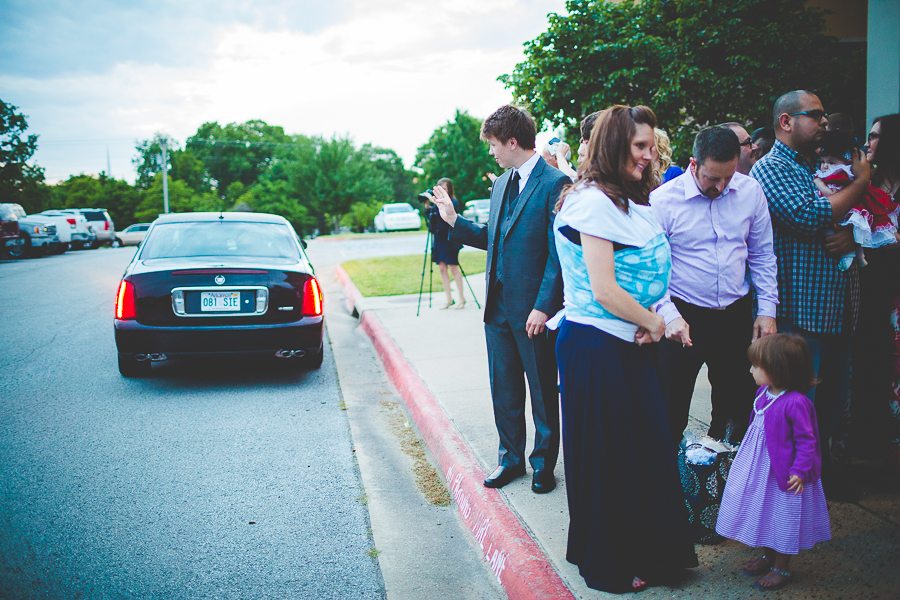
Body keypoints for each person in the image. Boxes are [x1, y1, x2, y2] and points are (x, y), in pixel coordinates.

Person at [549, 105, 698, 593]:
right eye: (639, 146)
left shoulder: (631, 202)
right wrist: (654, 323)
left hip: (630, 345)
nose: (649, 154)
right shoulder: (589, 203)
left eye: (651, 145)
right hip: (596, 348)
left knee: (646, 453)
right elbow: (606, 288)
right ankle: (610, 561)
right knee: (610, 460)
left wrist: (666, 320)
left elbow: (652, 279)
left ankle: (652, 553)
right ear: (614, 147)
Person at [431, 105, 569, 493]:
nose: (490, 152)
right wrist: (454, 221)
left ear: (512, 141)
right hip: (498, 310)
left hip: (535, 312)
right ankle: (510, 460)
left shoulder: (555, 183)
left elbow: (558, 256)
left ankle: (543, 464)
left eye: (493, 144)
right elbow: (493, 237)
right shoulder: (500, 184)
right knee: (504, 389)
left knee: (542, 390)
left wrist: (543, 306)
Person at [750, 90, 871, 502]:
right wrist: (863, 182)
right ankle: (794, 496)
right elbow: (810, 216)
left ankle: (820, 482)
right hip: (802, 315)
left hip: (836, 312)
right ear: (786, 122)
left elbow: (848, 218)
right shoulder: (771, 168)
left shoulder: (813, 166)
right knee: (802, 412)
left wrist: (852, 231)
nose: (824, 123)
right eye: (815, 115)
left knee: (831, 408)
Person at [652, 126, 778, 445]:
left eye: (728, 177)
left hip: (735, 316)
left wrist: (767, 310)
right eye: (712, 178)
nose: (721, 186)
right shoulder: (663, 202)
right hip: (682, 313)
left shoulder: (750, 192)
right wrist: (668, 315)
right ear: (693, 164)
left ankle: (729, 483)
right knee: (669, 406)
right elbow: (653, 271)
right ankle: (666, 484)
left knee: (737, 406)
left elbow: (763, 254)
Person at [716, 333, 831, 592]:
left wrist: (800, 471)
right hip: (760, 468)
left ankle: (782, 566)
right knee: (765, 512)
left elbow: (807, 441)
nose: (751, 370)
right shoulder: (762, 393)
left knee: (782, 516)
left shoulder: (796, 403)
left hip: (783, 472)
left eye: (757, 366)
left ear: (778, 370)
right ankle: (768, 555)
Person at [852, 114, 900, 467]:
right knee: (871, 367)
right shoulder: (864, 182)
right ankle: (872, 452)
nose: (868, 143)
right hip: (872, 291)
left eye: (875, 136)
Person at [814, 130, 899, 271]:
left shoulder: (863, 180)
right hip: (866, 279)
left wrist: (857, 237)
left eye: (874, 137)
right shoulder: (868, 178)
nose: (866, 144)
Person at [426, 178, 466, 309]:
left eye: (444, 188)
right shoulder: (436, 204)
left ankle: (461, 298)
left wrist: (437, 203)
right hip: (439, 239)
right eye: (439, 188)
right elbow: (432, 223)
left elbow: (448, 219)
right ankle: (449, 298)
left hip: (450, 238)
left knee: (454, 268)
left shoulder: (452, 202)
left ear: (449, 189)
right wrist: (428, 206)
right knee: (442, 268)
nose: (442, 191)